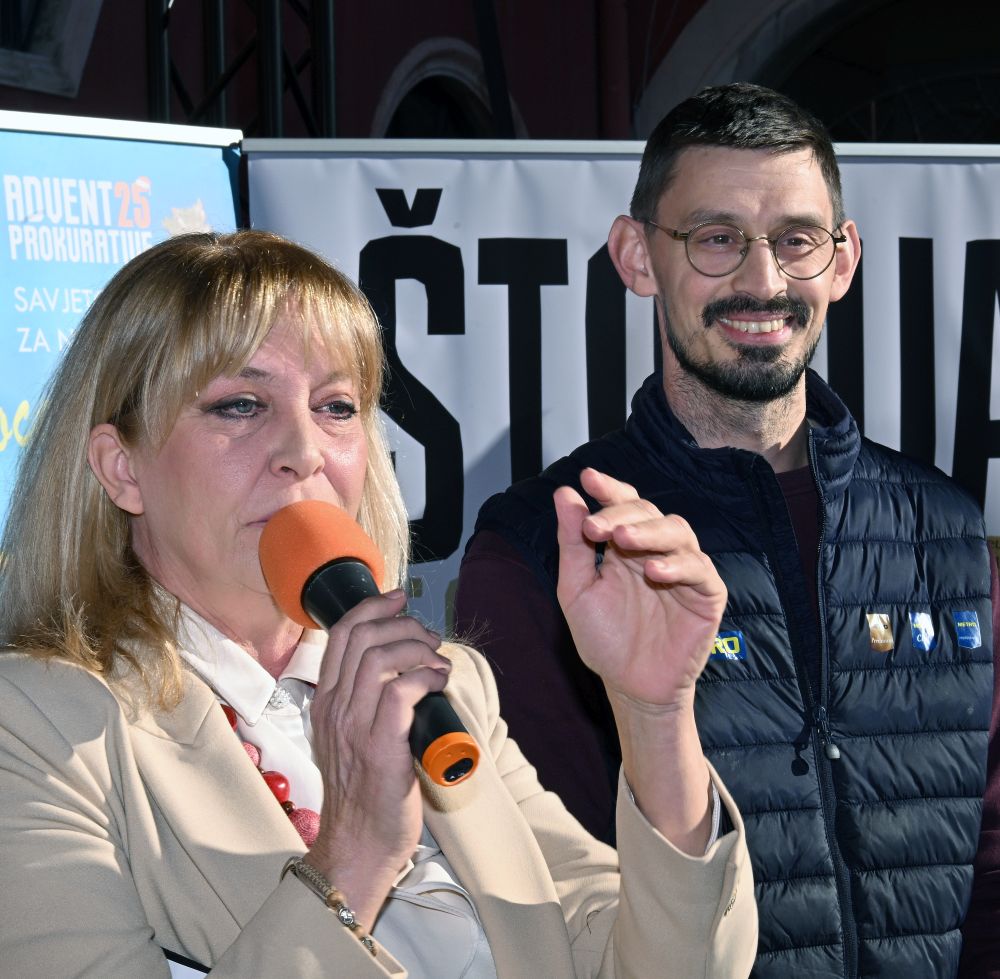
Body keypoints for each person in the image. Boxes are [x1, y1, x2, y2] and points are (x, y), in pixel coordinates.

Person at [0, 230, 756, 977]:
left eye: (336, 406)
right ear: (122, 468)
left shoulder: (446, 686)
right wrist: (352, 856)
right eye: (241, 405)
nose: (304, 450)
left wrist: (654, 714)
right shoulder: (34, 725)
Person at [454, 83, 998, 979]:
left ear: (844, 259)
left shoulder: (944, 528)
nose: (763, 281)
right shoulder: (545, 547)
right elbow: (545, 901)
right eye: (717, 238)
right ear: (636, 257)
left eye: (796, 239)